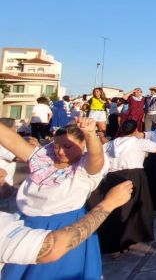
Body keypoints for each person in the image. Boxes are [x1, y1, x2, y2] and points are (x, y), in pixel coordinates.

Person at [0, 118, 108, 280]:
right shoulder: (43, 158)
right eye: (57, 146)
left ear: (82, 144)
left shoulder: (83, 168)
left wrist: (90, 134)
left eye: (67, 146)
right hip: (26, 227)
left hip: (64, 228)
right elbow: (11, 140)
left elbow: (97, 156)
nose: (60, 152)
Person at [90, 119, 156, 256]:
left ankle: (115, 243)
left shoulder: (112, 143)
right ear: (135, 130)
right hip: (134, 176)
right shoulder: (138, 143)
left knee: (115, 208)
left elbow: (101, 152)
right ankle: (129, 239)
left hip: (113, 177)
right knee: (133, 208)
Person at [0, 176, 132, 265]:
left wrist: (7, 190)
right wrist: (109, 203)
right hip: (58, 238)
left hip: (73, 232)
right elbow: (52, 248)